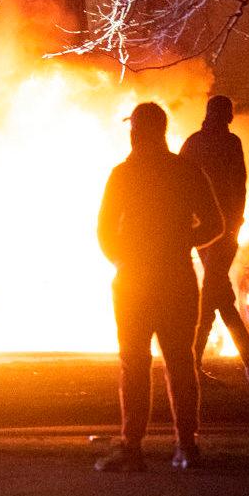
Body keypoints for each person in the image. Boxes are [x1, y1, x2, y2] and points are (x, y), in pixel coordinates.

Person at [96, 102, 223, 471]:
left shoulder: (123, 174)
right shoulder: (185, 170)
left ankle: (132, 448)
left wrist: (122, 258)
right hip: (176, 278)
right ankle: (186, 446)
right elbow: (215, 224)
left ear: (136, 132)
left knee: (133, 364)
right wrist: (183, 241)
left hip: (134, 281)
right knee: (180, 364)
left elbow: (104, 230)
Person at [180, 95, 249, 385]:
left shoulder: (193, 142)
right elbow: (240, 185)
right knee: (212, 296)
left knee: (220, 296)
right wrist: (235, 222)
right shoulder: (231, 143)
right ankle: (191, 364)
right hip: (223, 231)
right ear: (227, 116)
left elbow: (181, 184)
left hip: (202, 231)